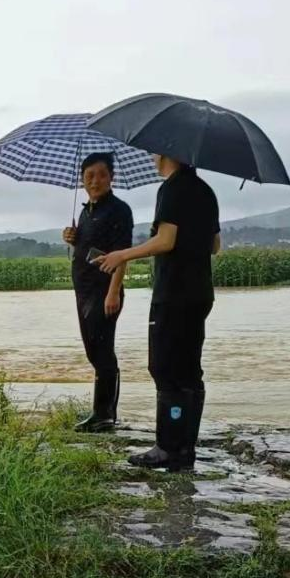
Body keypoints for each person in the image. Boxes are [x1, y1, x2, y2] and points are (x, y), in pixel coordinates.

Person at [95, 154, 221, 471]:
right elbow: (215, 245)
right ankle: (184, 449)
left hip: (174, 293)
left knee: (164, 369)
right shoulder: (205, 191)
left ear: (166, 153)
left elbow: (166, 240)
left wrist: (124, 253)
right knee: (190, 371)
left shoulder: (172, 189)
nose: (152, 157)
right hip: (200, 292)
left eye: (154, 152)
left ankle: (167, 447)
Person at [62, 152, 134, 432]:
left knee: (103, 352)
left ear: (111, 177)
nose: (95, 181)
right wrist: (71, 236)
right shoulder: (86, 210)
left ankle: (104, 414)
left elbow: (122, 254)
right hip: (83, 290)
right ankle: (100, 411)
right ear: (82, 180)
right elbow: (86, 244)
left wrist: (114, 292)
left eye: (101, 174)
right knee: (93, 351)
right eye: (89, 176)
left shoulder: (119, 210)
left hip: (104, 290)